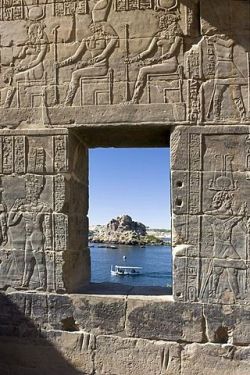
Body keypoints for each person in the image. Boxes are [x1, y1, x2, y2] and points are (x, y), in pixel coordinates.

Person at [57, 20, 118, 106]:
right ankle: (68, 101)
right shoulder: (87, 40)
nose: (98, 31)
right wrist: (61, 64)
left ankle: (68, 102)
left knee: (75, 74)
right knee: (75, 72)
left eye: (98, 28)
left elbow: (102, 56)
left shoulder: (108, 39)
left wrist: (86, 63)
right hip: (94, 67)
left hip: (101, 68)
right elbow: (75, 57)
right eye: (94, 29)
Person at [8, 174, 51, 290]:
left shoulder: (44, 207)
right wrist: (14, 208)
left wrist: (49, 242)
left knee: (39, 261)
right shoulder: (23, 207)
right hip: (28, 236)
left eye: (33, 191)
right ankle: (25, 283)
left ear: (37, 192)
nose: (30, 193)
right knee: (28, 261)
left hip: (37, 236)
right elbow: (10, 222)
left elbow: (48, 227)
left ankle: (43, 285)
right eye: (28, 190)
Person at [128, 13, 182, 104]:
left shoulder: (177, 37)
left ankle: (135, 99)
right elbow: (148, 51)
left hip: (171, 64)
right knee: (143, 69)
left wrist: (155, 60)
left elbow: (170, 53)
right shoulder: (159, 35)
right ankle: (135, 98)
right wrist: (134, 59)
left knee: (143, 70)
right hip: (162, 63)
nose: (162, 23)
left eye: (164, 21)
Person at [204, 191, 247, 299]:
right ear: (222, 201)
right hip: (219, 247)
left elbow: (236, 218)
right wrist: (226, 212)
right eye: (229, 201)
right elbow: (207, 214)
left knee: (233, 271)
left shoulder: (229, 218)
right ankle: (212, 293)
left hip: (228, 246)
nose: (231, 203)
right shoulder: (213, 217)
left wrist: (240, 212)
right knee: (217, 271)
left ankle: (237, 295)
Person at [3, 19, 48, 108]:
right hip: (27, 68)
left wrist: (24, 67)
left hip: (36, 70)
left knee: (15, 78)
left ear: (36, 32)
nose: (30, 35)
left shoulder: (43, 43)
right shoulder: (30, 42)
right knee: (9, 73)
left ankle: (7, 104)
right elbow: (20, 56)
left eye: (31, 33)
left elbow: (38, 60)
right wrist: (24, 48)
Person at [207, 32, 246, 121]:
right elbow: (227, 44)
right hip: (222, 66)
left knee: (236, 92)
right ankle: (216, 115)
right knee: (218, 92)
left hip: (229, 66)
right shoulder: (216, 38)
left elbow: (228, 43)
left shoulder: (219, 39)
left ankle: (242, 115)